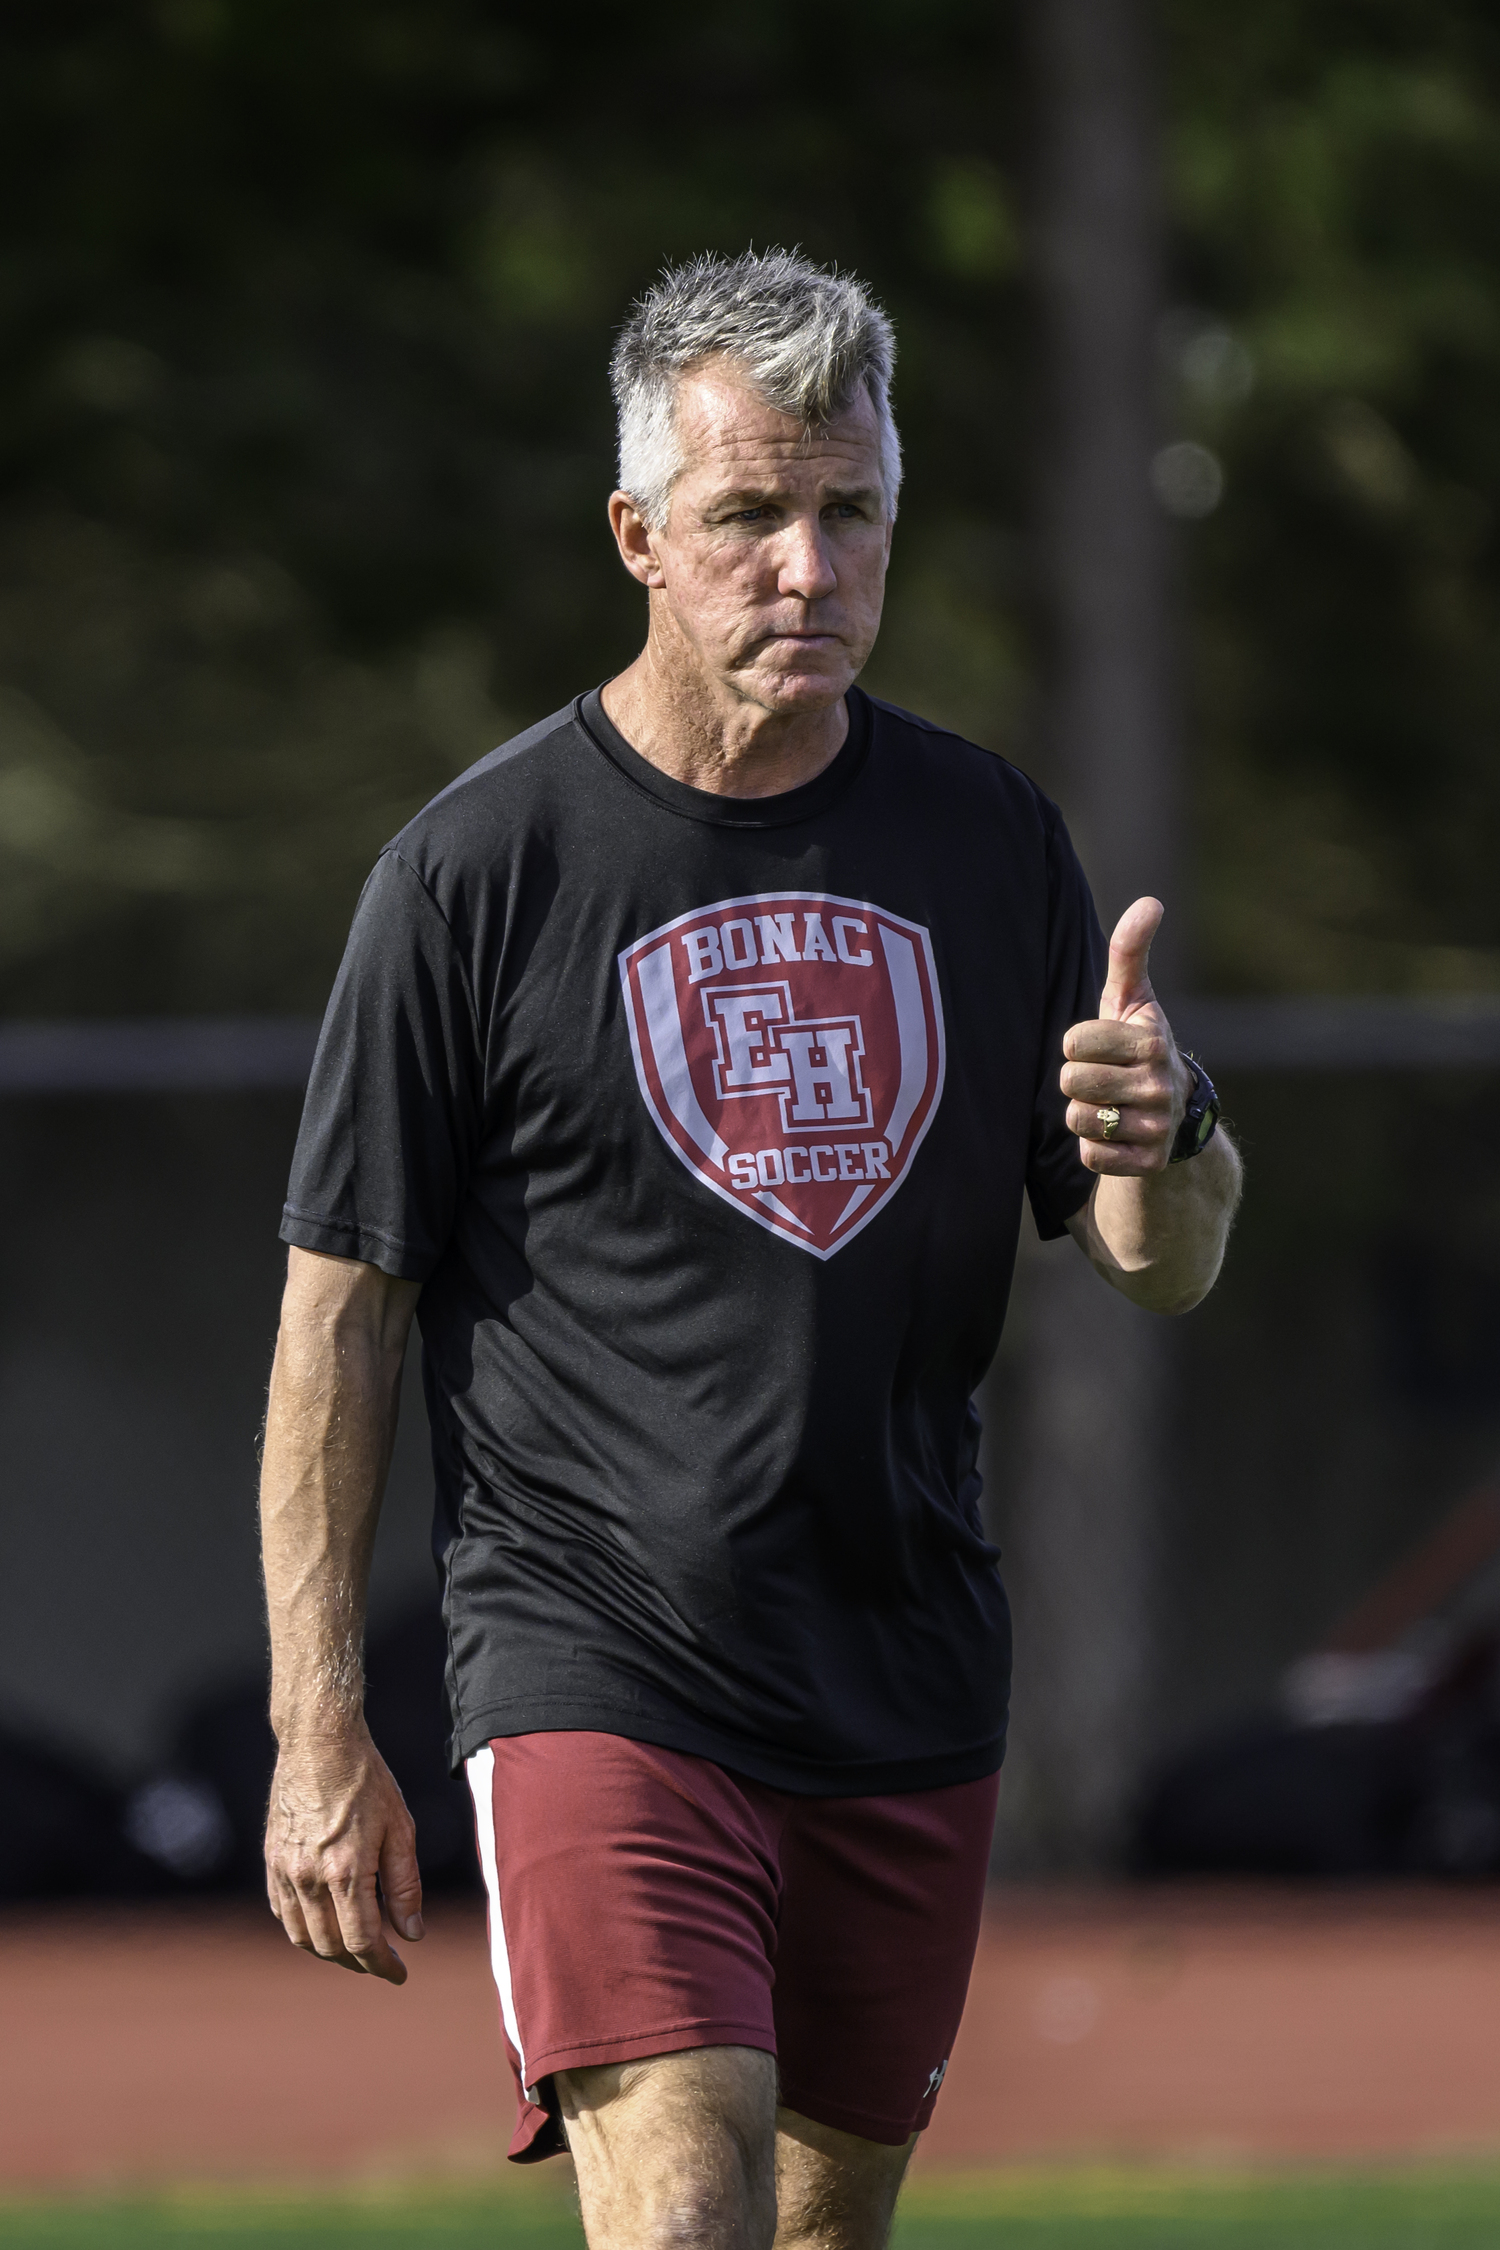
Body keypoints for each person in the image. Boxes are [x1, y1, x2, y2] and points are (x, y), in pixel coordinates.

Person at [259, 248, 1241, 2250]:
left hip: (902, 1657)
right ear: (638, 535)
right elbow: (339, 1321)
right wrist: (316, 1731)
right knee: (684, 2198)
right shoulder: (473, 876)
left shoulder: (988, 845)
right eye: (749, 518)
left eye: (849, 510)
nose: (809, 565)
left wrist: (1176, 1134)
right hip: (597, 1650)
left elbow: (1158, 1259)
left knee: (819, 2232)